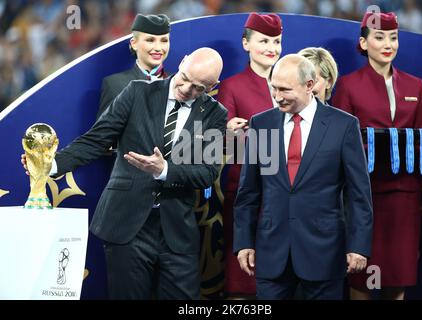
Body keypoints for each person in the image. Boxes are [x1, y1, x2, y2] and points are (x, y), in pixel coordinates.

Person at [22, 48, 227, 300]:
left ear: (213, 86)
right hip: (127, 224)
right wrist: (49, 166)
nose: (186, 89)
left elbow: (206, 173)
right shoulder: (136, 92)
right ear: (182, 61)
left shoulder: (217, 115)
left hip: (177, 233)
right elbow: (95, 140)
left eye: (199, 88)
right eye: (184, 78)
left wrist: (164, 170)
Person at [233, 54, 373, 300]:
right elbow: (248, 192)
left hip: (324, 253)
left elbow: (358, 194)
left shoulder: (344, 125)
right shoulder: (261, 124)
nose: (277, 96)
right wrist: (244, 241)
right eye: (273, 87)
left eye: (285, 89)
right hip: (271, 252)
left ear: (310, 86)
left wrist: (358, 245)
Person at [332, 12, 422, 300]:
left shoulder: (415, 85)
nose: (388, 44)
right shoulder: (348, 85)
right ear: (364, 42)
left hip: (403, 195)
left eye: (394, 37)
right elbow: (340, 144)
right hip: (364, 197)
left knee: (397, 277)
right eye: (379, 37)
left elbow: (419, 142)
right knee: (362, 279)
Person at [217, 12, 283, 297]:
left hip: (289, 197)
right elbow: (222, 144)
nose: (272, 48)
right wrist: (230, 132)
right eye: (265, 41)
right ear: (246, 44)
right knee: (243, 279)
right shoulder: (232, 86)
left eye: (277, 41)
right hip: (247, 193)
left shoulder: (290, 84)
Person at [96, 13, 171, 120]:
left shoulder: (179, 83)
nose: (158, 48)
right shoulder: (115, 85)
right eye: (150, 40)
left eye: (164, 40)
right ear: (134, 43)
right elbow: (103, 135)